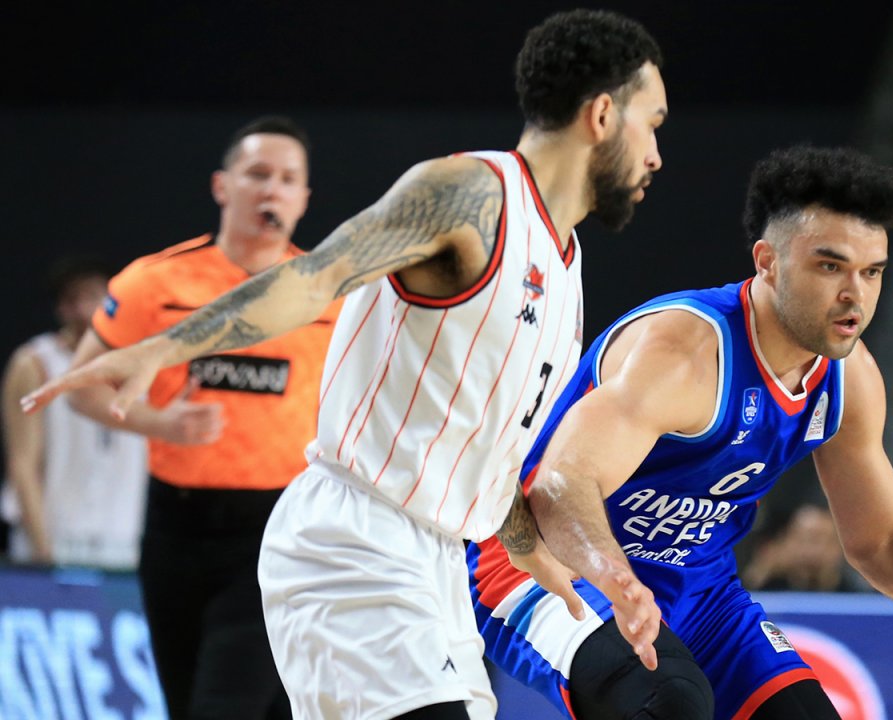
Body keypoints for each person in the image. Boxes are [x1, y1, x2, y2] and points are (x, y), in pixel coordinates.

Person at [22, 10, 669, 719]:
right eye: (652, 123)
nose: (656, 155)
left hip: (437, 565)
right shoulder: (470, 195)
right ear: (601, 115)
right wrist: (163, 346)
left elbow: (479, 443)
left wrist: (526, 545)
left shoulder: (565, 264)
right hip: (355, 540)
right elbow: (315, 276)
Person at [469, 146, 893, 720]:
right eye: (831, 267)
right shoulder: (686, 353)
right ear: (769, 263)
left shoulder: (850, 380)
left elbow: (880, 541)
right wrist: (615, 578)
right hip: (543, 565)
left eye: (872, 271)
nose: (855, 295)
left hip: (698, 589)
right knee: (667, 704)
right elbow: (559, 486)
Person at [48, 116, 340, 718]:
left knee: (222, 706)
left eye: (288, 179)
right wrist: (157, 422)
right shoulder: (154, 283)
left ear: (304, 199)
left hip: (277, 531)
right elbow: (81, 388)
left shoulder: (328, 294)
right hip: (174, 526)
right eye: (258, 174)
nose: (272, 190)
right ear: (221, 186)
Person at [0, 255, 148, 568]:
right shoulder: (36, 363)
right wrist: (43, 551)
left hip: (124, 542)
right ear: (60, 308)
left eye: (93, 296)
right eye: (72, 299)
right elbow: (22, 462)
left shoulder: (144, 363)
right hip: (54, 538)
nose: (84, 310)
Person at [743, 501, 861, 593]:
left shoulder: (859, 598)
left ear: (839, 547)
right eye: (803, 540)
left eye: (821, 541)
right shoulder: (767, 592)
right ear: (787, 542)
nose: (812, 551)